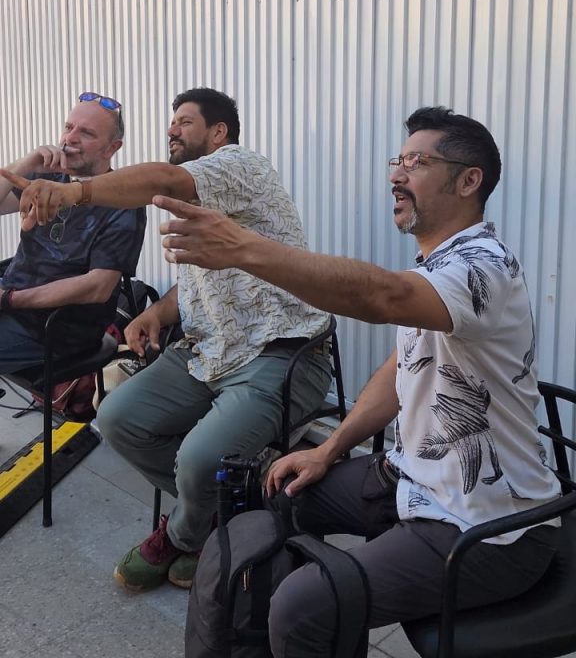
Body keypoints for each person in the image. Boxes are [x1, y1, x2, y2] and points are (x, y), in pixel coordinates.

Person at [150, 106, 560, 657]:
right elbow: (400, 373)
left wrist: (245, 248)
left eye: (417, 161)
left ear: (469, 181)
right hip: (413, 479)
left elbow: (380, 297)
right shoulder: (437, 269)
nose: (396, 174)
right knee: (270, 500)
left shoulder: (483, 266)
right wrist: (331, 450)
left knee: (303, 607)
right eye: (400, 159)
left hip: (487, 526)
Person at [1, 87, 332, 593]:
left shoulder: (241, 165)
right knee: (115, 418)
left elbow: (158, 177)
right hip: (206, 351)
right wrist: (156, 310)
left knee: (199, 459)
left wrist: (71, 191)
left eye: (184, 121)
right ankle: (225, 515)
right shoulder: (193, 204)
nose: (172, 130)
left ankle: (181, 535)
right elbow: (204, 281)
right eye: (171, 121)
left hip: (279, 351)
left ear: (218, 133)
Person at [0, 92, 146, 371]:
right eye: (68, 127)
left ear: (111, 148)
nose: (70, 138)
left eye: (87, 133)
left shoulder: (123, 201)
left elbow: (98, 287)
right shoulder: (48, 176)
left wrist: (10, 299)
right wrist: (25, 164)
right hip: (13, 307)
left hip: (55, 330)